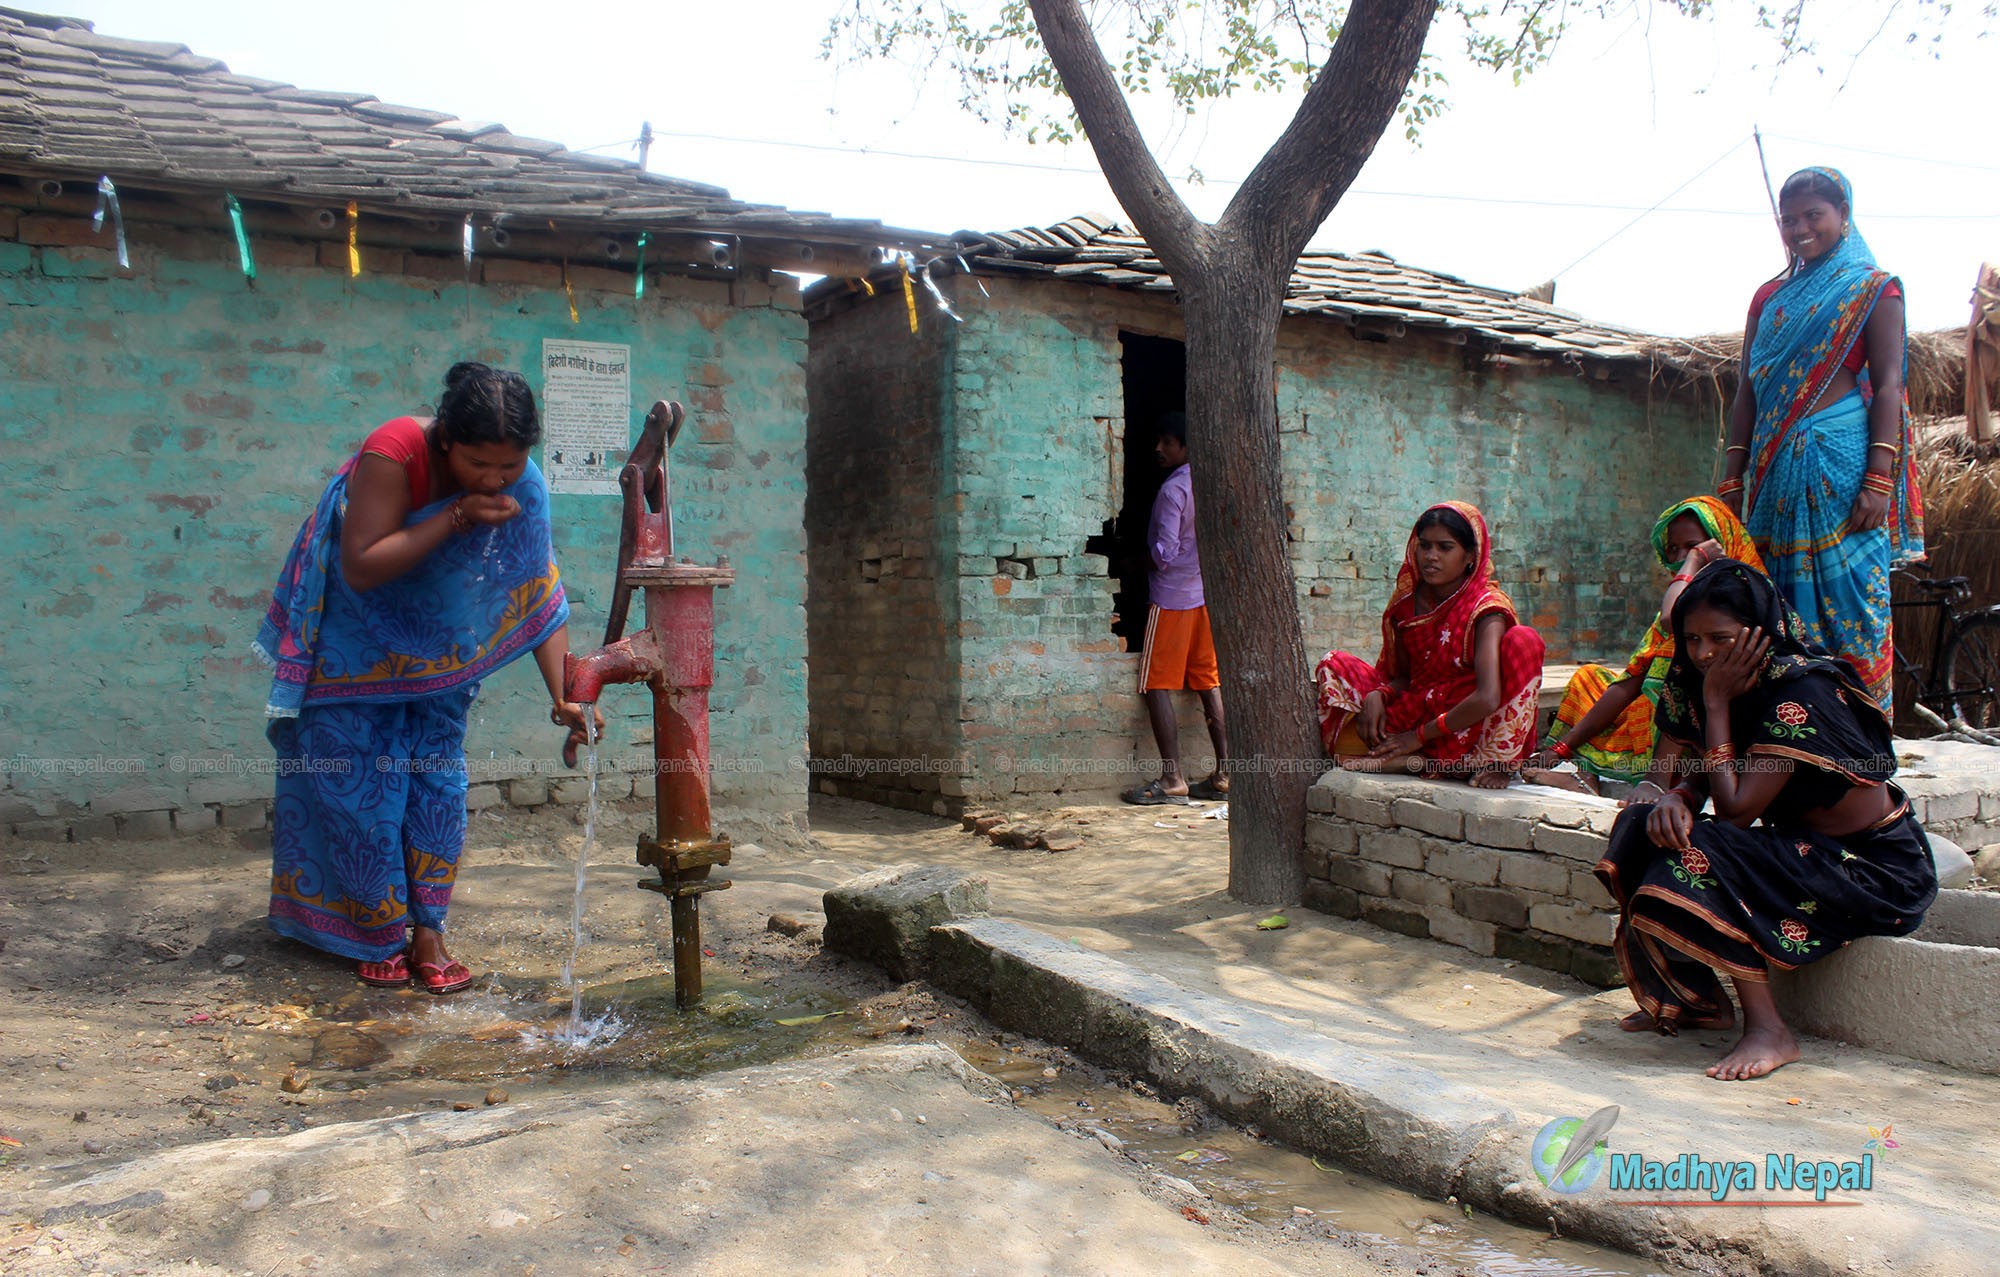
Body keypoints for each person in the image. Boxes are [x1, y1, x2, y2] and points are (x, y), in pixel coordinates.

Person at [255, 362, 599, 994]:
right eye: (477, 463)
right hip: (353, 639)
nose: (496, 479)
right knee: (357, 781)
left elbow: (536, 591)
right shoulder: (393, 453)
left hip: (439, 653)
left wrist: (563, 695)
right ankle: (377, 932)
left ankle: (430, 931)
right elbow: (361, 564)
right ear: (445, 440)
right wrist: (458, 515)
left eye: (510, 465)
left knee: (436, 781)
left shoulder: (527, 488)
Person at [1597, 559, 1937, 1080]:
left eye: (1720, 637)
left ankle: (1769, 1030)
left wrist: (1715, 706)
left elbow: (1735, 813)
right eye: (1692, 640)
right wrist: (1681, 795)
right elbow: (1716, 776)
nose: (1705, 653)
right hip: (1802, 851)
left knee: (1706, 850)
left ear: (1760, 633)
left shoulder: (1801, 693)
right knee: (1641, 825)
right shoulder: (1720, 680)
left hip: (1872, 870)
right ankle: (1696, 999)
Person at [1720, 166, 1924, 711]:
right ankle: (1791, 727)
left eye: (1814, 215)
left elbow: (1888, 386)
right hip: (1771, 466)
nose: (1800, 229)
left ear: (1844, 216)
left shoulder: (1873, 288)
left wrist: (1879, 478)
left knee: (1853, 596)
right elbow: (1749, 389)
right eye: (1789, 220)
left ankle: (1861, 730)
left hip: (1840, 462)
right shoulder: (1769, 297)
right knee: (1770, 600)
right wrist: (1730, 477)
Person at [1532, 497, 1766, 789]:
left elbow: (1673, 620)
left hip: (1720, 729)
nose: (1680, 557)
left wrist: (1693, 563)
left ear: (1719, 546)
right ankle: (1587, 772)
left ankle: (1656, 779)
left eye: (1692, 547)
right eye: (1673, 549)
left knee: (1664, 680)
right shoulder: (1684, 601)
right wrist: (1560, 748)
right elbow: (1630, 682)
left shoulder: (1746, 595)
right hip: (1676, 718)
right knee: (1589, 679)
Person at [1315, 502, 1544, 789]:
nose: (1431, 556)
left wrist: (1418, 736)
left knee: (1524, 641)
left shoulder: (1486, 608)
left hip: (1464, 720)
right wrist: (1379, 693)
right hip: (1420, 706)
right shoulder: (1407, 602)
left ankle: (1492, 762)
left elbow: (1487, 697)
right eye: (1425, 546)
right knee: (1333, 663)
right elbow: (1407, 678)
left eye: (1445, 547)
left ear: (1471, 556)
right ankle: (1419, 759)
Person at [1121, 412, 1229, 805]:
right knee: (1207, 682)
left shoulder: (1173, 491)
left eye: (1168, 442)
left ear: (1186, 446)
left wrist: (1133, 562)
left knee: (1154, 684)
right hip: (1202, 598)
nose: (1158, 449)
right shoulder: (1209, 483)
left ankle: (1173, 779)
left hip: (1169, 599)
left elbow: (1164, 554)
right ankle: (1225, 775)